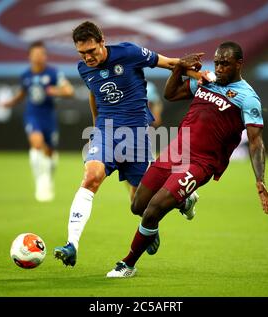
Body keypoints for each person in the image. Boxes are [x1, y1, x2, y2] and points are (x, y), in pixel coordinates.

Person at [106, 41, 268, 278]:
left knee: (153, 210)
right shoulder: (206, 80)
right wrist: (179, 68)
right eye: (217, 62)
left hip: (200, 163)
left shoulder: (247, 98)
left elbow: (256, 142)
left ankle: (128, 264)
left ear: (238, 64)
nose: (220, 67)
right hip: (176, 151)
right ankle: (183, 203)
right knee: (138, 206)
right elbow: (170, 94)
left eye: (225, 63)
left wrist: (260, 180)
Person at [54, 21, 201, 267]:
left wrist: (201, 75)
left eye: (92, 51)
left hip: (136, 136)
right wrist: (94, 128)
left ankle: (180, 202)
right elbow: (94, 93)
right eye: (82, 53)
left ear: (102, 41)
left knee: (139, 205)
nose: (88, 57)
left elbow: (169, 63)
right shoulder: (84, 69)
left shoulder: (129, 53)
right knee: (91, 176)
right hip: (106, 132)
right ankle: (72, 245)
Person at [4, 41, 74, 202]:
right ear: (29, 56)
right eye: (36, 54)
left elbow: (69, 91)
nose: (39, 57)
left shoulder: (53, 73)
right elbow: (22, 94)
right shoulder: (25, 75)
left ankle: (48, 179)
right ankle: (40, 183)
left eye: (42, 54)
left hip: (49, 116)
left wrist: (55, 90)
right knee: (36, 143)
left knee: (49, 152)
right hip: (32, 115)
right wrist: (10, 103)